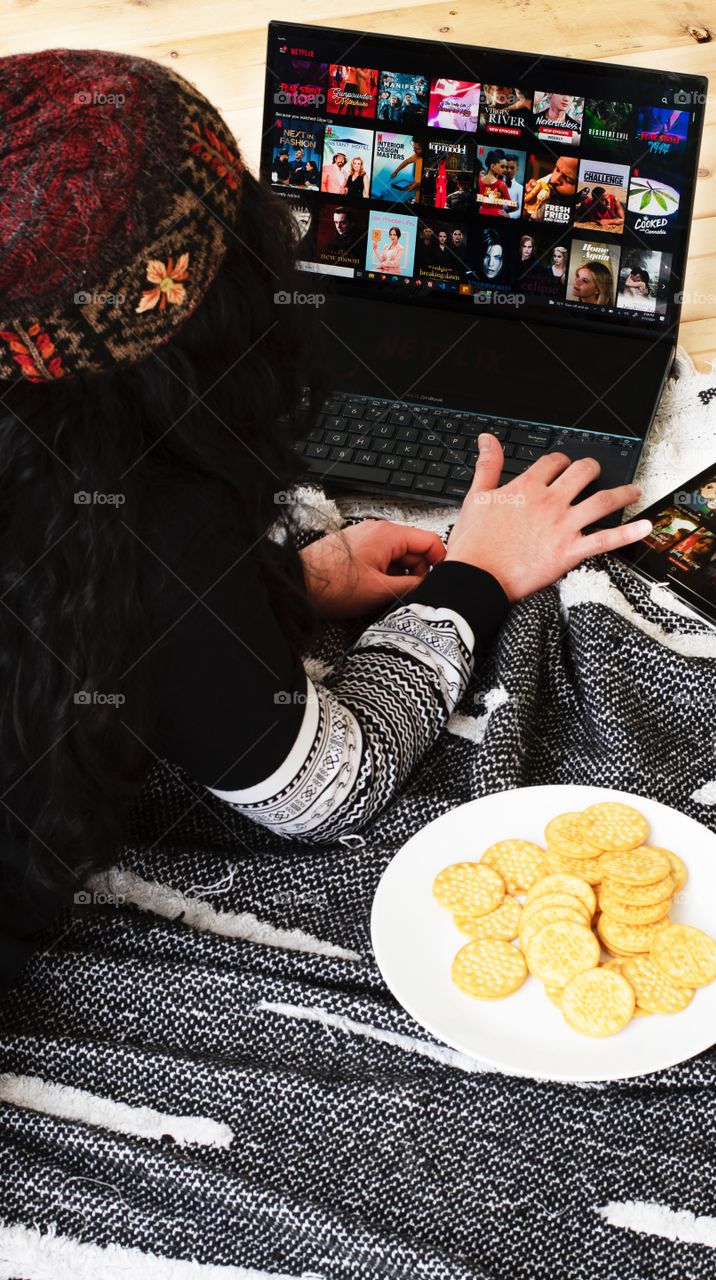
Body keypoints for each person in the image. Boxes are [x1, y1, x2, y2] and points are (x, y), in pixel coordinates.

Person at [0, 49, 651, 994]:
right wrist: (475, 577)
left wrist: (281, 582)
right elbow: (324, 791)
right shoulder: (143, 523)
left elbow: (93, 634)